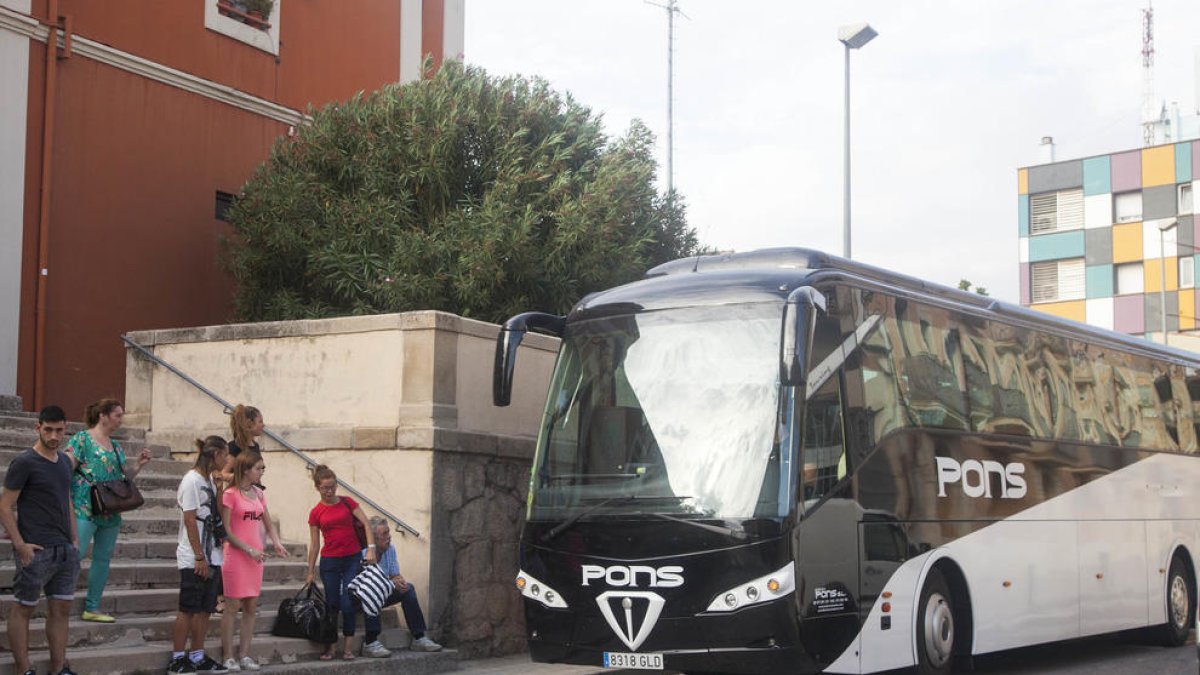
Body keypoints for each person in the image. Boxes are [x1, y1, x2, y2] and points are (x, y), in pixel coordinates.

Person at [0, 405, 80, 675]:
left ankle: (59, 667)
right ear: (38, 428)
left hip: (65, 549)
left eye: (59, 430)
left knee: (62, 608)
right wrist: (20, 544)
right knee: (24, 607)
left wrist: (75, 539)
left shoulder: (65, 462)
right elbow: (4, 506)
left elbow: (66, 499)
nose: (54, 436)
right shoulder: (24, 462)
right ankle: (24, 668)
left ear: (66, 430)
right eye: (48, 430)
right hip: (36, 549)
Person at [66, 398, 152, 623]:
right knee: (75, 554)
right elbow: (66, 468)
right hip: (84, 506)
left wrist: (139, 465)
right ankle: (59, 598)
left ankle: (92, 607)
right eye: (118, 415)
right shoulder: (82, 439)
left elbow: (123, 479)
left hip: (110, 509)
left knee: (102, 559)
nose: (121, 420)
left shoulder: (115, 446)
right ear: (103, 416)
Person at [168, 436, 231, 674]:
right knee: (188, 608)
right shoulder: (191, 481)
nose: (227, 460)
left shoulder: (210, 480)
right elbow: (190, 519)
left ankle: (197, 654)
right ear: (216, 454)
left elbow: (218, 511)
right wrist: (198, 556)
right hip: (194, 556)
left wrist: (220, 487)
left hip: (213, 553)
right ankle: (177, 658)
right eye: (225, 455)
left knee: (206, 609)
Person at [220, 451, 287, 671]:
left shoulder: (259, 493)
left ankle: (245, 655)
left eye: (263, 468)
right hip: (237, 555)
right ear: (246, 470)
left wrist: (276, 542)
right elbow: (227, 531)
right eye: (259, 468)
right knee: (232, 606)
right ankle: (228, 656)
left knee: (251, 605)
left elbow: (268, 522)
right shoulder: (230, 494)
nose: (262, 471)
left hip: (256, 557)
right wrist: (248, 549)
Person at [305, 465, 375, 660]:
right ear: (317, 488)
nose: (329, 491)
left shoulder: (347, 502)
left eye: (333, 487)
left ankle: (348, 648)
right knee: (332, 604)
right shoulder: (316, 512)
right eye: (325, 488)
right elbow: (314, 545)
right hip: (330, 562)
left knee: (348, 602)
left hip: (352, 558)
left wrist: (371, 548)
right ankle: (331, 647)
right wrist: (310, 572)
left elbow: (366, 523)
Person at [359, 517, 442, 657]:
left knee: (408, 589)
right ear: (373, 538)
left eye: (389, 532)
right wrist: (392, 582)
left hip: (382, 590)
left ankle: (419, 638)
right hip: (362, 597)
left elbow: (395, 575)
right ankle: (370, 642)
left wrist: (400, 582)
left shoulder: (390, 549)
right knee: (373, 592)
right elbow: (369, 583)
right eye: (384, 534)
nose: (389, 536)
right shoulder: (364, 554)